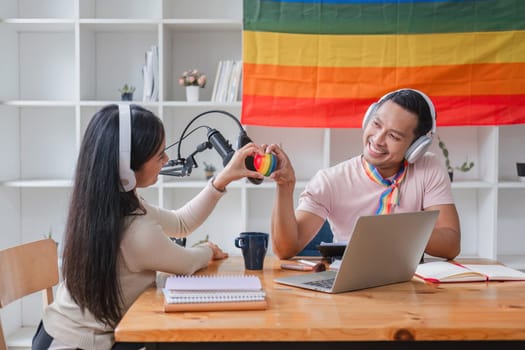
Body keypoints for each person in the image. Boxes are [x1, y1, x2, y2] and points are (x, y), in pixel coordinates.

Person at [32, 104, 264, 350]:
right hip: (74, 345)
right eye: (159, 155)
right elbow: (187, 262)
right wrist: (207, 249)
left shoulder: (106, 204)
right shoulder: (135, 232)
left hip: (61, 334)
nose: (166, 160)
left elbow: (180, 223)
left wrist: (224, 177)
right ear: (126, 167)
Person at [268, 88, 461, 260]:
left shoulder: (428, 167)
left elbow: (451, 244)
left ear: (416, 148)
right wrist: (285, 186)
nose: (377, 140)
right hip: (349, 283)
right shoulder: (330, 180)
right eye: (376, 124)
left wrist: (399, 230)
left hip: (408, 284)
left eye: (393, 136)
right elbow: (285, 250)